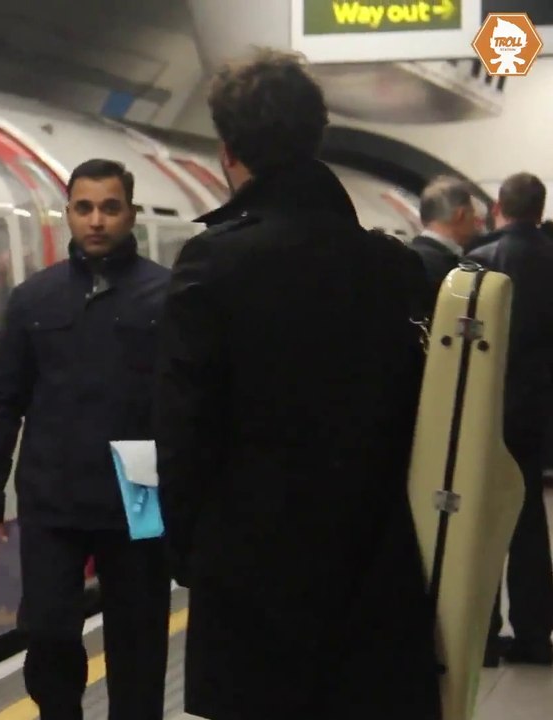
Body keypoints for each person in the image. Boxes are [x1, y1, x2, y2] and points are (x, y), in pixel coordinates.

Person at [152, 48, 441, 719]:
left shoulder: (213, 264)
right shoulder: (393, 268)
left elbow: (182, 428)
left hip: (252, 578)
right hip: (375, 569)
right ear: (317, 135)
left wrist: (191, 555)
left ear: (229, 152)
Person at [0, 158, 172, 720]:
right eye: (85, 208)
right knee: (49, 629)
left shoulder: (166, 295)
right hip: (53, 487)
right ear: (68, 215)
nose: (97, 220)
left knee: (138, 640)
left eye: (110, 207)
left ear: (130, 213)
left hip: (137, 481)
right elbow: (2, 400)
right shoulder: (35, 299)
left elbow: (185, 405)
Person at [467, 172, 553, 666]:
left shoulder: (480, 260)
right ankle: (535, 635)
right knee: (527, 518)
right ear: (539, 210)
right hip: (535, 409)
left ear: (499, 206)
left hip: (485, 405)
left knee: (478, 518)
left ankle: (480, 634)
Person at [409, 176, 481, 298]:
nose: (477, 220)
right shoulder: (450, 268)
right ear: (460, 215)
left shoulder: (406, 256)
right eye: (473, 213)